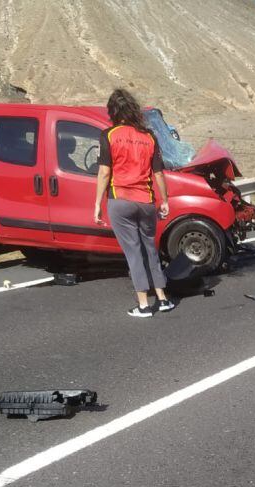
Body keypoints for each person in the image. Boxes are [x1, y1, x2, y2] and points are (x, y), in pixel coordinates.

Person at [93, 88, 172, 318]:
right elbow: (158, 174)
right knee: (150, 249)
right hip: (146, 201)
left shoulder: (108, 135)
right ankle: (163, 298)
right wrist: (165, 200)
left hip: (121, 201)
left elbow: (104, 173)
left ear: (113, 111)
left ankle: (143, 305)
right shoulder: (149, 137)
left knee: (133, 252)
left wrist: (97, 203)